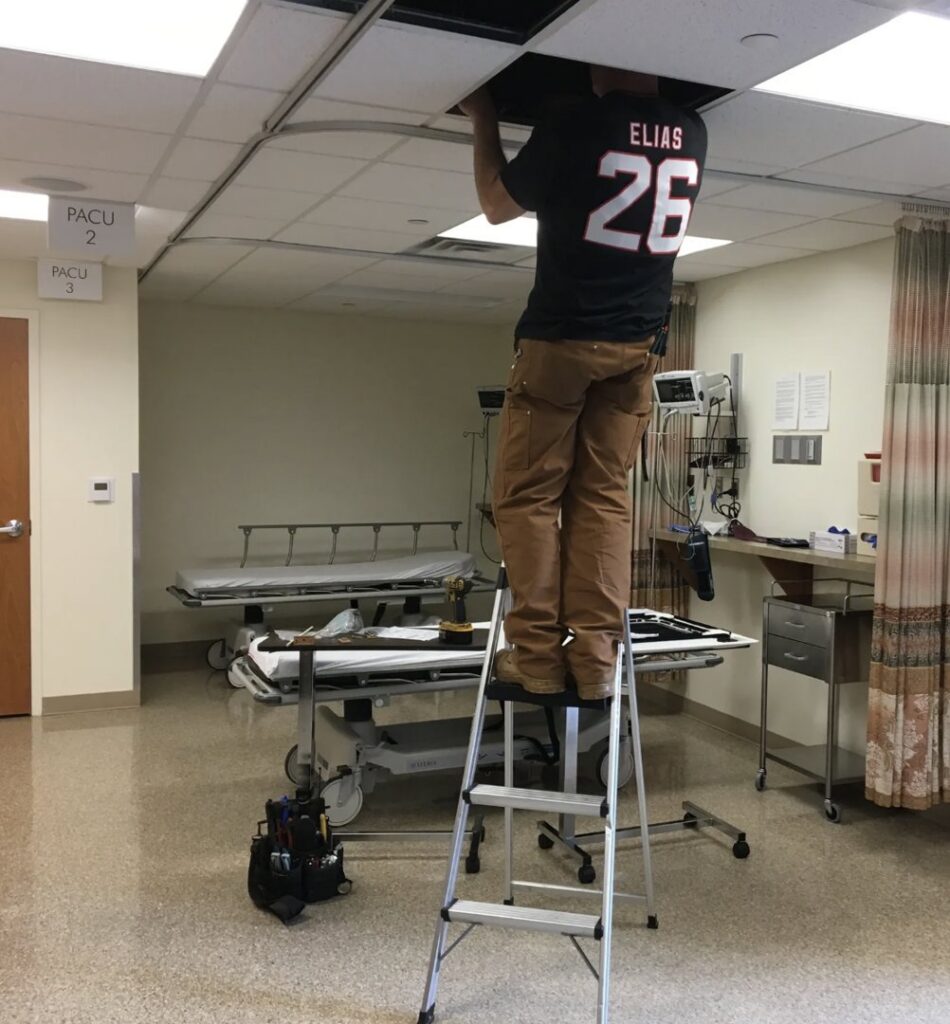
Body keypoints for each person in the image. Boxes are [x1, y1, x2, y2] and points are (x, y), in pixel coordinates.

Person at [458, 65, 708, 700]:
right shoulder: (694, 130)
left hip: (562, 341)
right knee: (603, 498)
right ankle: (596, 659)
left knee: (529, 497)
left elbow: (494, 203)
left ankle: (537, 656)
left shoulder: (574, 121)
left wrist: (484, 115)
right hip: (637, 349)